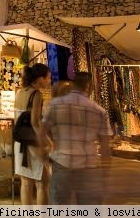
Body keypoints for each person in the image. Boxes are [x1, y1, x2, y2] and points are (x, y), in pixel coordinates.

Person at [39, 72, 112, 205]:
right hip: (89, 167)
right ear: (89, 87)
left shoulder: (55, 105)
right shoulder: (99, 111)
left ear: (73, 84)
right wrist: (105, 178)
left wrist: (45, 154)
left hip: (62, 163)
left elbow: (42, 132)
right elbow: (105, 147)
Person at [14, 63, 51, 205]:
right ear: (39, 78)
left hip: (20, 143)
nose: (49, 81)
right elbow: (35, 122)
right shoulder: (36, 94)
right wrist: (47, 141)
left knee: (25, 183)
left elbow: (18, 118)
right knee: (42, 183)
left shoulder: (19, 92)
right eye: (47, 78)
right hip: (33, 142)